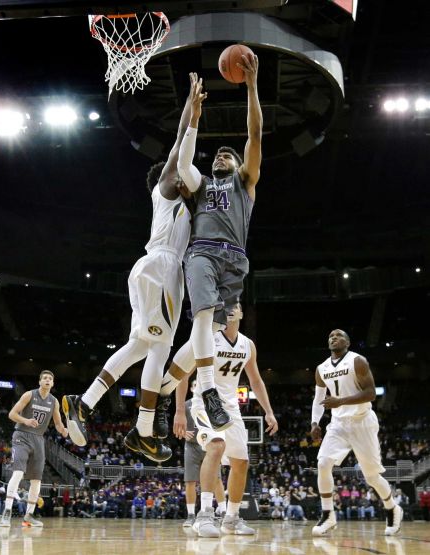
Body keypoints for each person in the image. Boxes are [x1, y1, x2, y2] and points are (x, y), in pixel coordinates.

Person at [62, 73, 198, 462]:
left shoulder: (177, 204)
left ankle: (83, 404)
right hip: (161, 269)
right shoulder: (168, 188)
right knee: (158, 349)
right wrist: (193, 106)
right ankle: (141, 431)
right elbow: (177, 147)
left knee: (142, 346)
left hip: (152, 269)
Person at [156, 53, 263, 432]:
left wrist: (251, 87)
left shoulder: (244, 182)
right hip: (202, 253)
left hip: (235, 260)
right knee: (203, 319)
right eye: (217, 153)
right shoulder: (201, 184)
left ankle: (167, 382)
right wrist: (195, 122)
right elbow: (184, 166)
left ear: (237, 166)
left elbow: (254, 135)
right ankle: (206, 391)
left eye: (226, 155)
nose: (221, 155)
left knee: (215, 329)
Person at [173, 303, 278, 537]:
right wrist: (180, 410)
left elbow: (256, 381)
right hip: (204, 404)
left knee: (241, 462)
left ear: (242, 313)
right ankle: (205, 516)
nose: (232, 308)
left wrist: (268, 411)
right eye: (227, 304)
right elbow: (182, 373)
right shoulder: (207, 337)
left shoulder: (247, 344)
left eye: (236, 305)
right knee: (216, 447)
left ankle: (231, 519)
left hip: (231, 409)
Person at [310, 329, 403, 536]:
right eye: (330, 336)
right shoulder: (321, 368)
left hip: (362, 422)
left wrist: (340, 401)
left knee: (371, 476)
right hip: (338, 423)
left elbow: (370, 394)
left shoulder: (357, 361)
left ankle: (392, 508)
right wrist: (315, 423)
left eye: (339, 335)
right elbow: (318, 399)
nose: (333, 337)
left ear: (348, 342)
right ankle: (328, 515)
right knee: (323, 463)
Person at [0, 370, 68, 527]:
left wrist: (63, 430)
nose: (47, 380)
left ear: (53, 383)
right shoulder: (29, 395)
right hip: (22, 435)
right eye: (44, 378)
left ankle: (28, 515)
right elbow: (12, 414)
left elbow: (57, 423)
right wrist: (26, 420)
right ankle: (7, 512)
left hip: (38, 439)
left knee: (37, 480)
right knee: (17, 473)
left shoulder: (54, 401)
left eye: (50, 378)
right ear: (39, 382)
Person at [182, 381, 227, 528]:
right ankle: (190, 516)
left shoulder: (212, 402)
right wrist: (182, 432)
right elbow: (178, 425)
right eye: (194, 384)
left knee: (217, 479)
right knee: (190, 481)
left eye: (199, 384)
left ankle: (223, 512)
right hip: (192, 445)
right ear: (191, 388)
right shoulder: (185, 404)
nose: (197, 386)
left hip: (210, 444)